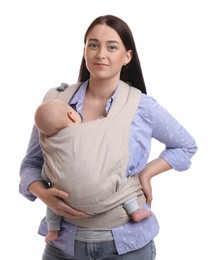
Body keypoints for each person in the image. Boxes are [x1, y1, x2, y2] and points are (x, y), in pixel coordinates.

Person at [19, 14, 198, 259]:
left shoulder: (140, 106)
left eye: (111, 47)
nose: (100, 54)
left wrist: (147, 173)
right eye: (93, 45)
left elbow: (185, 145)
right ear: (85, 51)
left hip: (128, 245)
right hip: (64, 245)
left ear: (127, 56)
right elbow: (31, 164)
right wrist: (42, 193)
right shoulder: (57, 102)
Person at [34, 99, 153, 242]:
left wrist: (46, 184)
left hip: (68, 200)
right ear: (72, 115)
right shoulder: (91, 129)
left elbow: (43, 172)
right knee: (124, 183)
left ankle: (53, 229)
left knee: (53, 199)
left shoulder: (50, 143)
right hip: (105, 197)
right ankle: (135, 210)